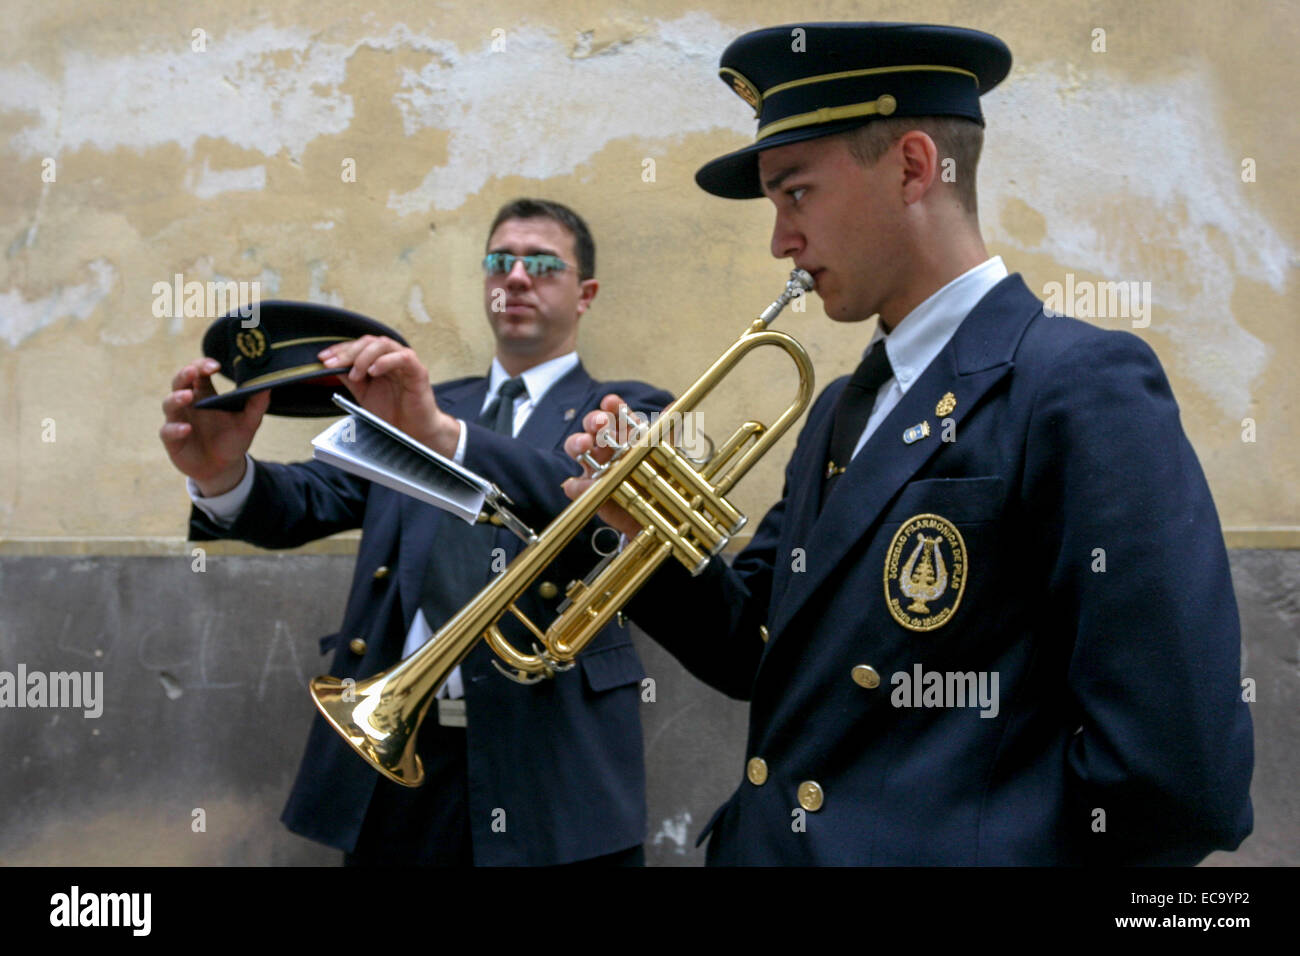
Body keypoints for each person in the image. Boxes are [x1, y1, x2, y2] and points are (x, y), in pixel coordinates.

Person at [560, 23, 1254, 865]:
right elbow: (762, 651)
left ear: (914, 169)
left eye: (796, 193)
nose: (780, 239)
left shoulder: (1077, 384)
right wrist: (651, 540)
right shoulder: (843, 406)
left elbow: (1182, 782)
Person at [161, 198, 672, 865]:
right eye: (500, 261)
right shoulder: (420, 404)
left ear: (586, 294)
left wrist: (443, 438)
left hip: (553, 763)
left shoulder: (629, 409)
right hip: (401, 762)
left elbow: (592, 513)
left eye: (543, 264)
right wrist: (227, 476)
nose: (516, 277)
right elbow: (316, 498)